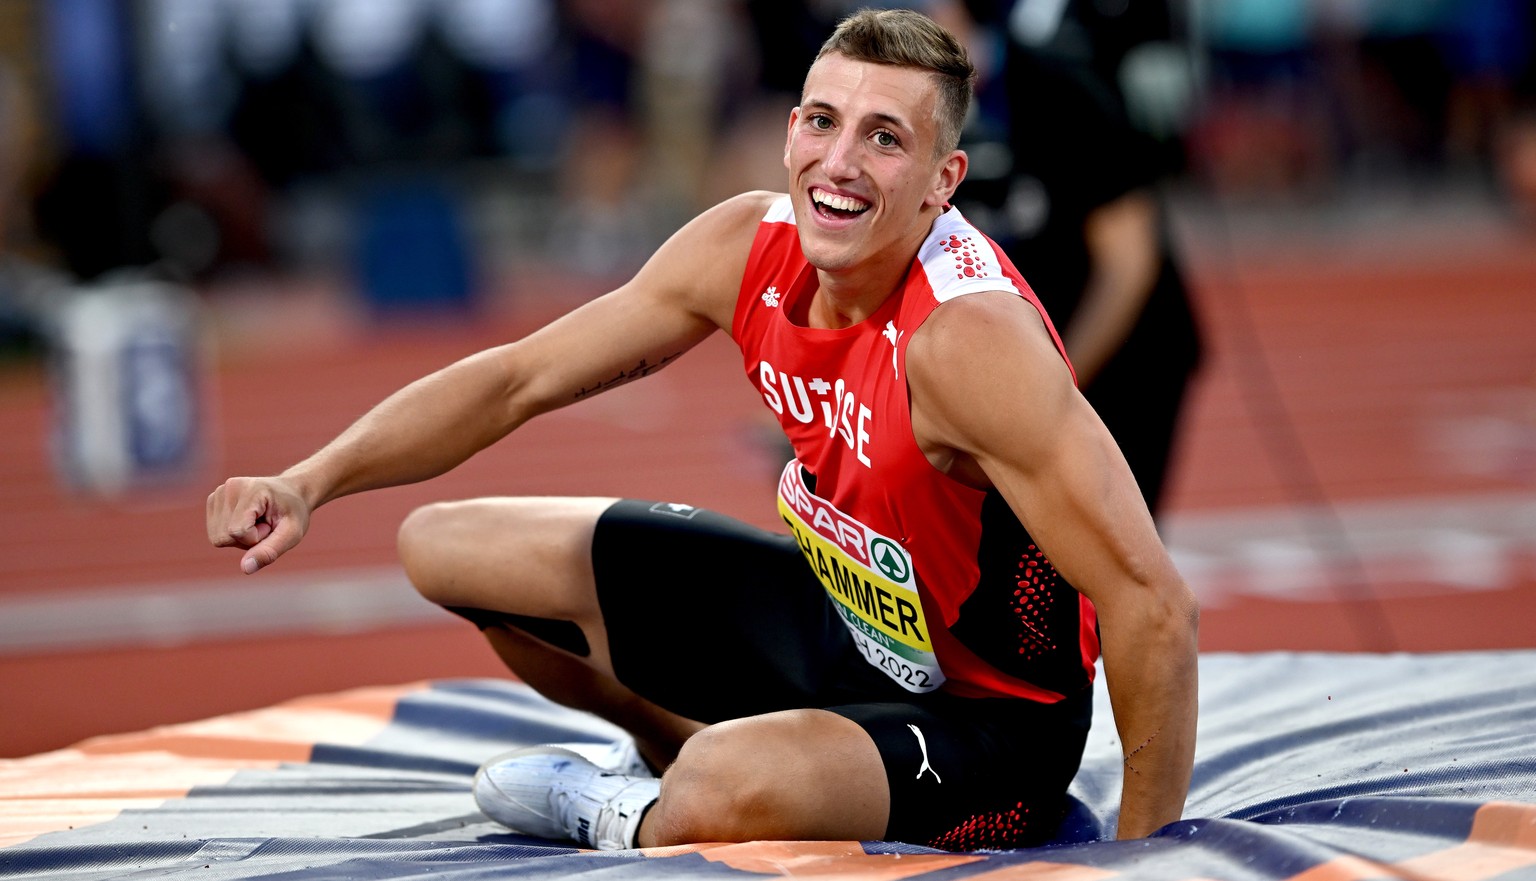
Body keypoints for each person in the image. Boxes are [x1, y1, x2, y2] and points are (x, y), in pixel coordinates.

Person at [207, 9, 1198, 852]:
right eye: (823, 121)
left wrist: (1143, 867)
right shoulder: (745, 249)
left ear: (944, 182)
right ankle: (658, 749)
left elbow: (1152, 602)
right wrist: (308, 480)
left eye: (885, 138)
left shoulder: (966, 344)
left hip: (986, 725)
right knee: (446, 544)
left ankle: (635, 813)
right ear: (788, 132)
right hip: (840, 624)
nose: (840, 164)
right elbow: (517, 378)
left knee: (728, 782)